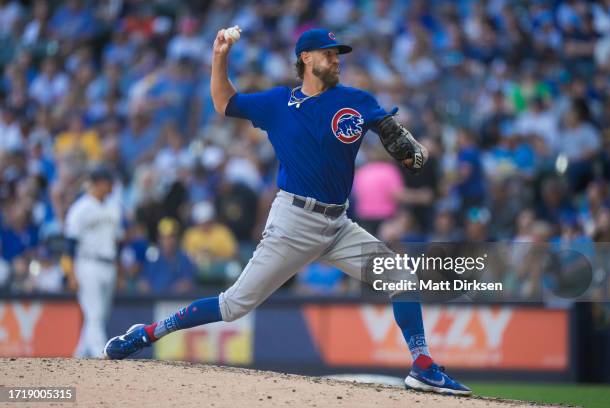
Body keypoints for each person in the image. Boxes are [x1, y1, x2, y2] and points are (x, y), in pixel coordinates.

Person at [104, 27, 470, 396]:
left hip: (339, 225)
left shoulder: (357, 100)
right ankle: (147, 332)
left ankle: (422, 365)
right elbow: (223, 102)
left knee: (402, 280)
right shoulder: (279, 103)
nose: (336, 58)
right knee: (233, 306)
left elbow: (387, 127)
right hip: (293, 222)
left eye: (338, 53)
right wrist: (220, 57)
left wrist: (398, 138)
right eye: (328, 52)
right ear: (306, 58)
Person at [65, 165, 122, 358]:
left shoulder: (113, 207)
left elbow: (117, 242)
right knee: (94, 314)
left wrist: (119, 270)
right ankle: (101, 355)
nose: (111, 186)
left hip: (109, 264)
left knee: (98, 316)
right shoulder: (80, 208)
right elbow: (70, 245)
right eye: (108, 183)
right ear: (99, 183)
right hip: (87, 264)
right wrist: (71, 274)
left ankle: (80, 355)